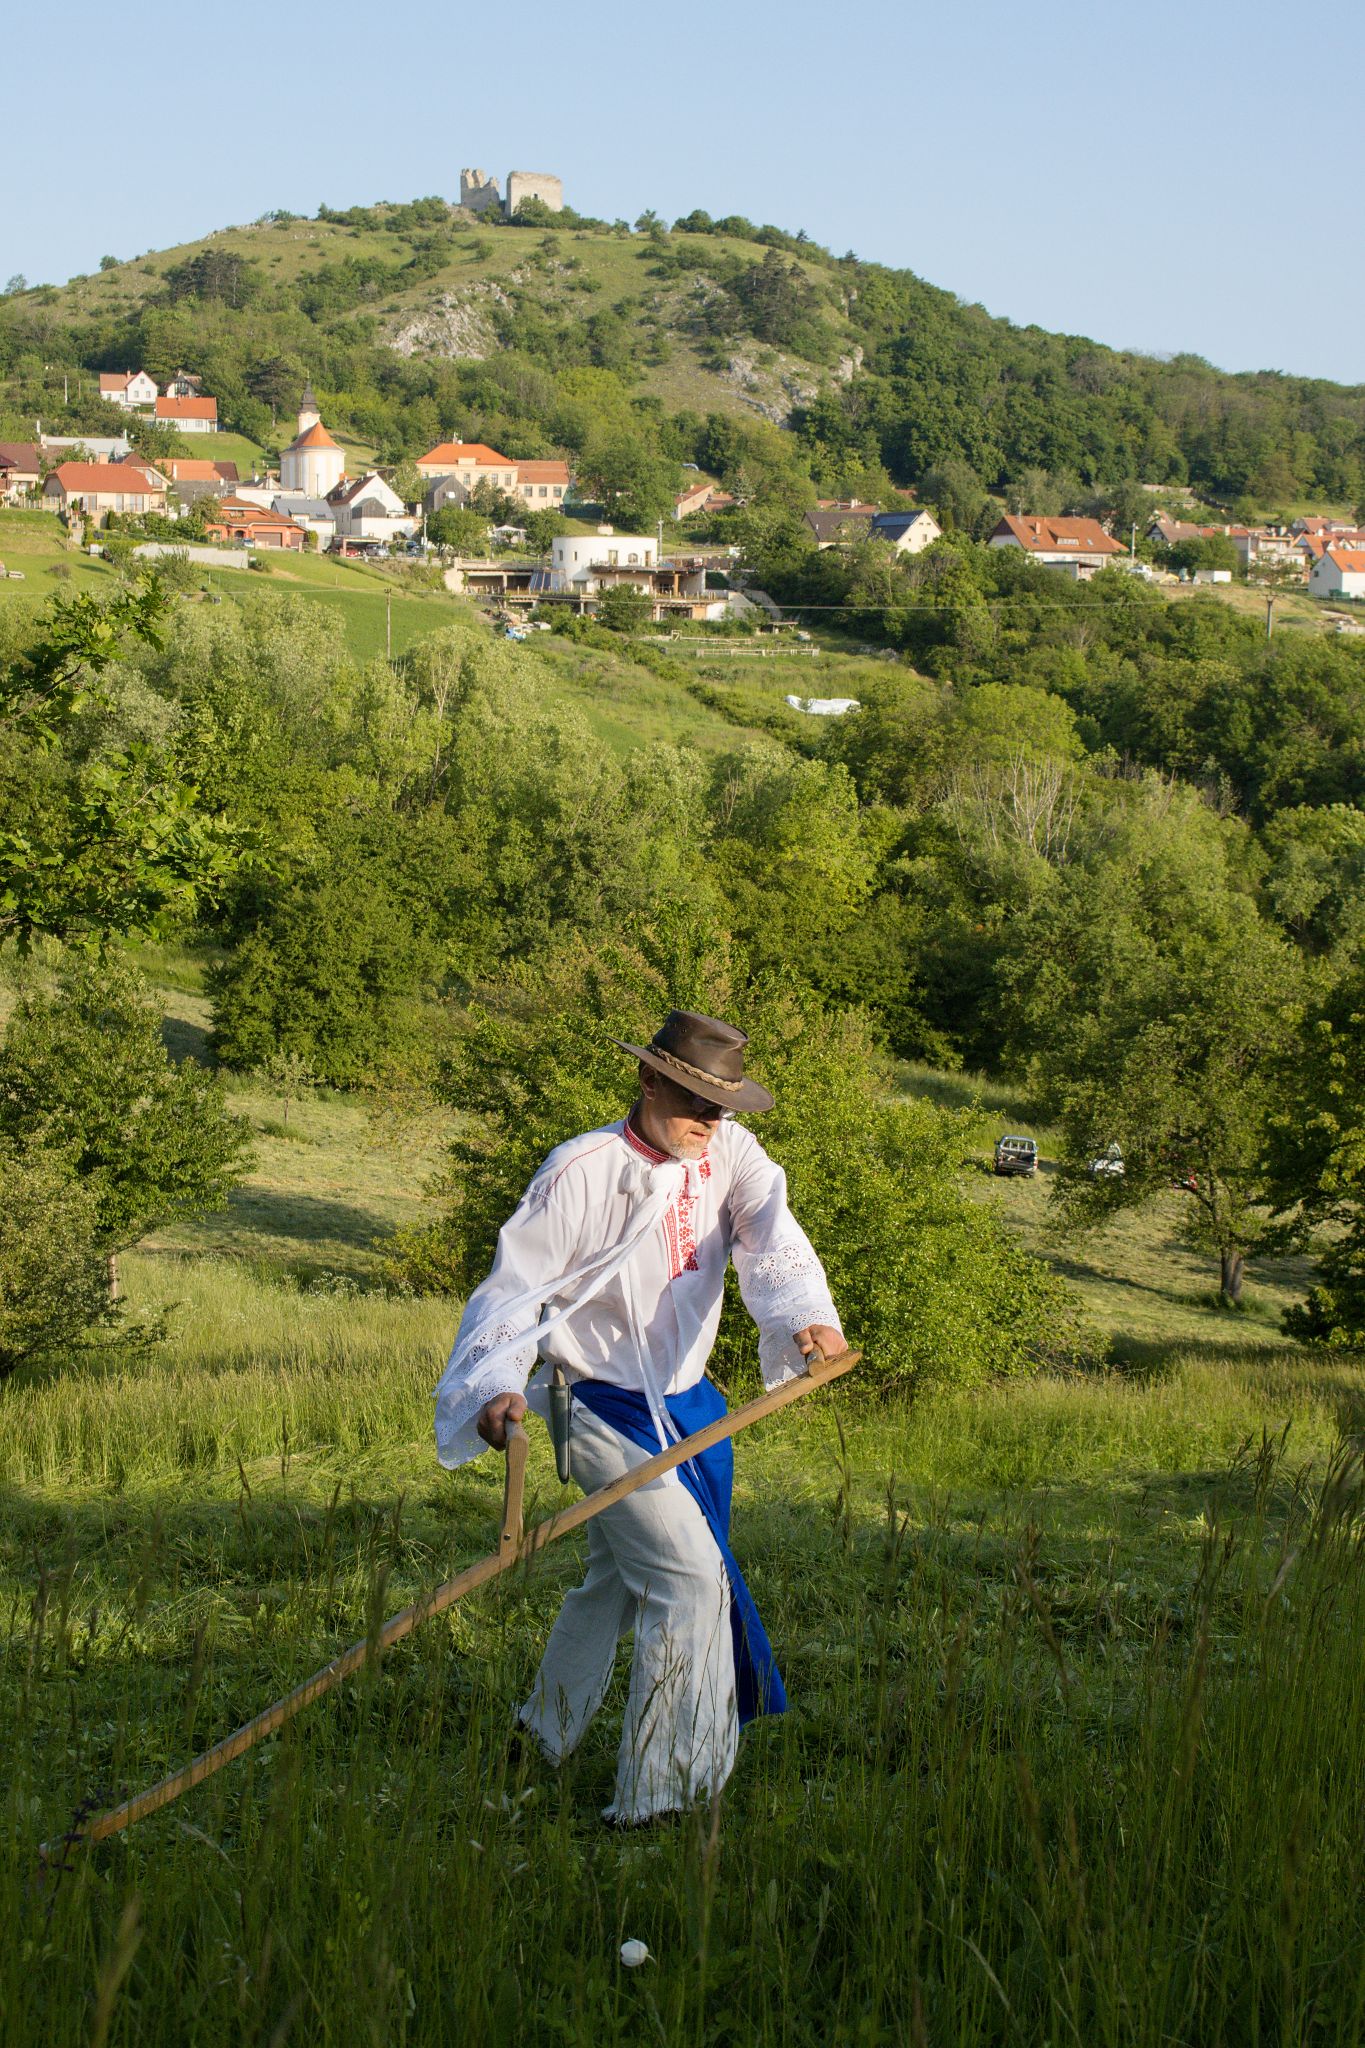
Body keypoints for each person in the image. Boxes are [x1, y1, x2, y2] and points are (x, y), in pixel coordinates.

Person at [433, 1010, 844, 1826]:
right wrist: (496, 1383)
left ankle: (537, 1737)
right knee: (689, 1582)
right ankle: (661, 1797)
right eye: (693, 1097)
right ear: (650, 1079)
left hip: (690, 1409)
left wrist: (803, 1316)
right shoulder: (579, 1169)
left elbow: (771, 1237)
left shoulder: (732, 1155)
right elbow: (516, 1286)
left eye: (720, 1105)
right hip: (598, 1404)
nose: (706, 1120)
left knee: (616, 1582)